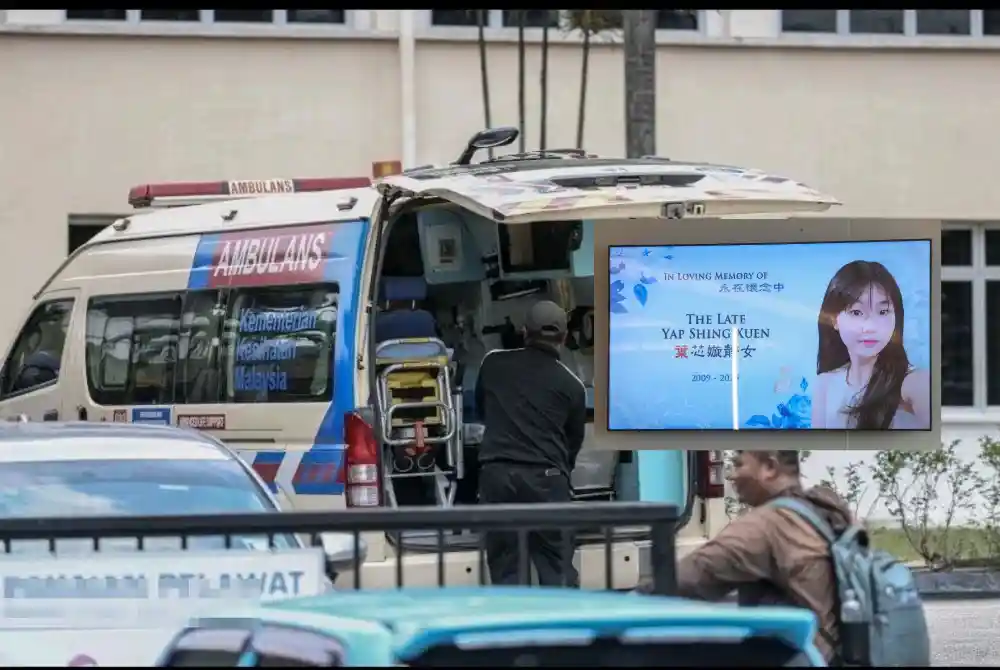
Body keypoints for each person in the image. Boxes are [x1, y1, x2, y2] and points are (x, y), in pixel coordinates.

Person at [646, 450, 852, 664]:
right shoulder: (825, 509)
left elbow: (689, 576)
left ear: (769, 468)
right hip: (835, 655)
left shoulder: (769, 524)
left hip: (802, 657)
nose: (731, 475)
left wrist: (634, 597)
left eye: (739, 465)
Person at [475, 300, 587, 588]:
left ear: (524, 331)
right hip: (547, 480)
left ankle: (514, 616)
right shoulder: (573, 385)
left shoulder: (493, 363)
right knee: (557, 566)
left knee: (506, 568)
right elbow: (573, 441)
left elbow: (481, 410)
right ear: (564, 337)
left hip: (498, 476)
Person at [811, 260, 931, 430]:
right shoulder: (825, 384)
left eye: (883, 312)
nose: (871, 327)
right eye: (856, 312)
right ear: (833, 320)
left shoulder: (914, 382)